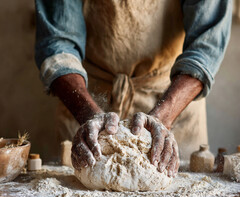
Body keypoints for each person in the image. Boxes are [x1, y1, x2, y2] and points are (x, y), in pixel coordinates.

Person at [35, 0, 232, 177]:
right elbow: (58, 44)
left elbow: (207, 46)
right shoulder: (85, 110)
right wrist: (88, 114)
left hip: (173, 96)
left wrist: (162, 119)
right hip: (85, 96)